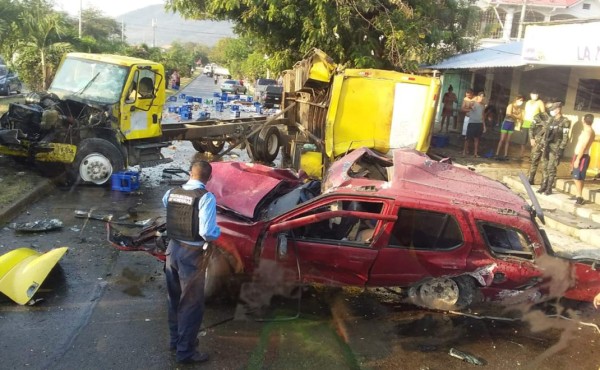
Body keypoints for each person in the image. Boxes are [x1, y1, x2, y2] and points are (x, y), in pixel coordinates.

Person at [162, 160, 221, 364]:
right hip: (191, 255)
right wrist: (217, 234)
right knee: (191, 303)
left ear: (190, 173)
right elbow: (206, 231)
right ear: (209, 178)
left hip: (172, 250)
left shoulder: (172, 192)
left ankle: (175, 340)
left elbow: (167, 207)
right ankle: (185, 351)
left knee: (174, 298)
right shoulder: (206, 198)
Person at [537, 102, 571, 195]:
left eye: (553, 110)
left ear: (558, 109)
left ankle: (549, 188)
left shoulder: (565, 121)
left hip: (555, 148)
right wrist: (542, 144)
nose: (551, 112)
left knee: (551, 168)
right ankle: (543, 185)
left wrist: (561, 149)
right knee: (544, 166)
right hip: (547, 146)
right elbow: (546, 133)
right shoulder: (551, 119)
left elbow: (565, 137)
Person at [572, 114, 596, 205]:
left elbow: (583, 146)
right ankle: (578, 195)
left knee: (578, 177)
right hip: (579, 154)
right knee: (577, 177)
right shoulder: (587, 130)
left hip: (582, 156)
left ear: (584, 120)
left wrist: (578, 159)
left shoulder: (588, 132)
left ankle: (579, 196)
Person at [527, 102, 553, 185]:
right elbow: (531, 128)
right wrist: (531, 138)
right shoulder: (539, 116)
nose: (551, 108)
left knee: (545, 163)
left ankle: (544, 182)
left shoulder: (555, 119)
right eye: (549, 106)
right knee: (534, 161)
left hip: (548, 144)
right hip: (537, 142)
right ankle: (530, 179)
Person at [495, 95, 524, 160]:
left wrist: (514, 116)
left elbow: (520, 117)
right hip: (506, 123)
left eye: (522, 101)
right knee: (502, 139)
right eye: (520, 100)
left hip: (512, 124)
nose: (521, 102)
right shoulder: (511, 105)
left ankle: (505, 154)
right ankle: (497, 153)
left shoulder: (519, 108)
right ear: (516, 100)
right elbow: (508, 114)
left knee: (508, 140)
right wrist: (516, 116)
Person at [520, 90, 546, 158]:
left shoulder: (540, 102)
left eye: (537, 94)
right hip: (526, 122)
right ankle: (521, 154)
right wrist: (521, 122)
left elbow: (543, 114)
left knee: (534, 140)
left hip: (535, 123)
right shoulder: (528, 102)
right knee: (523, 140)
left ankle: (532, 155)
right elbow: (525, 112)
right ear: (531, 94)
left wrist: (543, 124)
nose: (536, 96)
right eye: (534, 94)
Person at [463, 92, 486, 157]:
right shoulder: (473, 102)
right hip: (472, 123)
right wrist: (472, 105)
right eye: (481, 96)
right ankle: (464, 152)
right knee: (468, 138)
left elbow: (483, 115)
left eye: (483, 97)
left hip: (479, 123)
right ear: (478, 96)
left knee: (477, 139)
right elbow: (469, 104)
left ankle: (475, 153)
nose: (482, 98)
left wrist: (484, 126)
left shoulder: (483, 106)